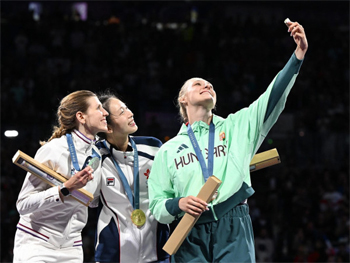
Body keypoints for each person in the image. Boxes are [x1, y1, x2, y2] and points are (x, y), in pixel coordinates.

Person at [148, 19, 308, 262]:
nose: (207, 85)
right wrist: (179, 203)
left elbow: (272, 98)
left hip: (233, 223)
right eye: (198, 84)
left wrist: (297, 56)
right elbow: (157, 205)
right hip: (187, 232)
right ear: (183, 99)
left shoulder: (237, 126)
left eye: (209, 84)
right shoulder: (168, 150)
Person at [13, 90, 109, 262]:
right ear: (81, 117)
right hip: (37, 242)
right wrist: (65, 189)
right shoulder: (54, 149)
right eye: (99, 108)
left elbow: (92, 202)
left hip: (72, 248)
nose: (105, 113)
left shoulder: (97, 155)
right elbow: (23, 205)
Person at [94, 92, 170, 263]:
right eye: (122, 112)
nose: (130, 113)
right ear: (108, 127)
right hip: (113, 255)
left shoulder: (153, 147)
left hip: (158, 252)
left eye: (127, 108)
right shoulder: (96, 156)